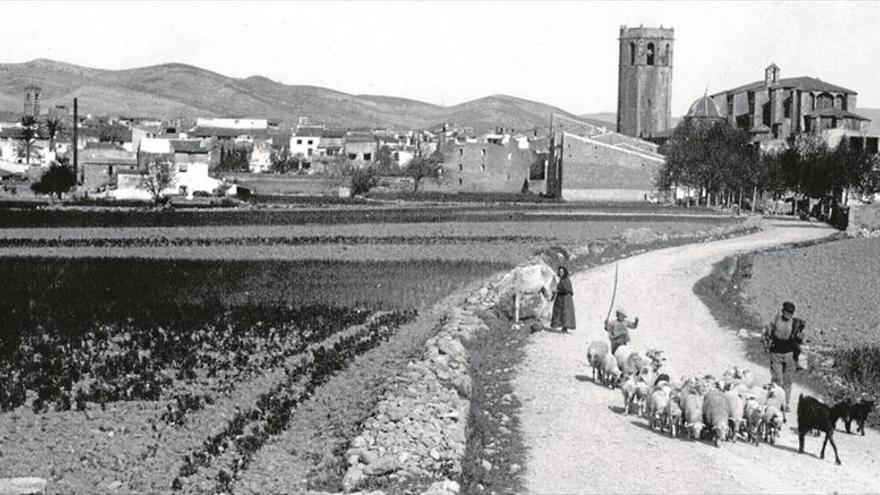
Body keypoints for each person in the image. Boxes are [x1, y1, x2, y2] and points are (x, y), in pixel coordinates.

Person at [763, 301, 806, 412]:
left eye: (791, 312)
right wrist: (766, 347)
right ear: (783, 311)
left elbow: (800, 340)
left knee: (788, 381)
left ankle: (785, 404)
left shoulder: (795, 324)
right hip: (776, 353)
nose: (788, 314)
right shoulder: (775, 321)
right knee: (778, 379)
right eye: (787, 312)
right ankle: (774, 402)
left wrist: (800, 337)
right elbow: (767, 334)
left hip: (789, 355)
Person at [550, 266, 576, 333]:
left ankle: (565, 328)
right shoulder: (561, 280)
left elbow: (566, 290)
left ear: (564, 272)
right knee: (560, 312)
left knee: (565, 313)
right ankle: (563, 327)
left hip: (566, 300)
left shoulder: (567, 280)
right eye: (559, 272)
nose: (560, 273)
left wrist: (557, 291)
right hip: (561, 299)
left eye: (562, 272)